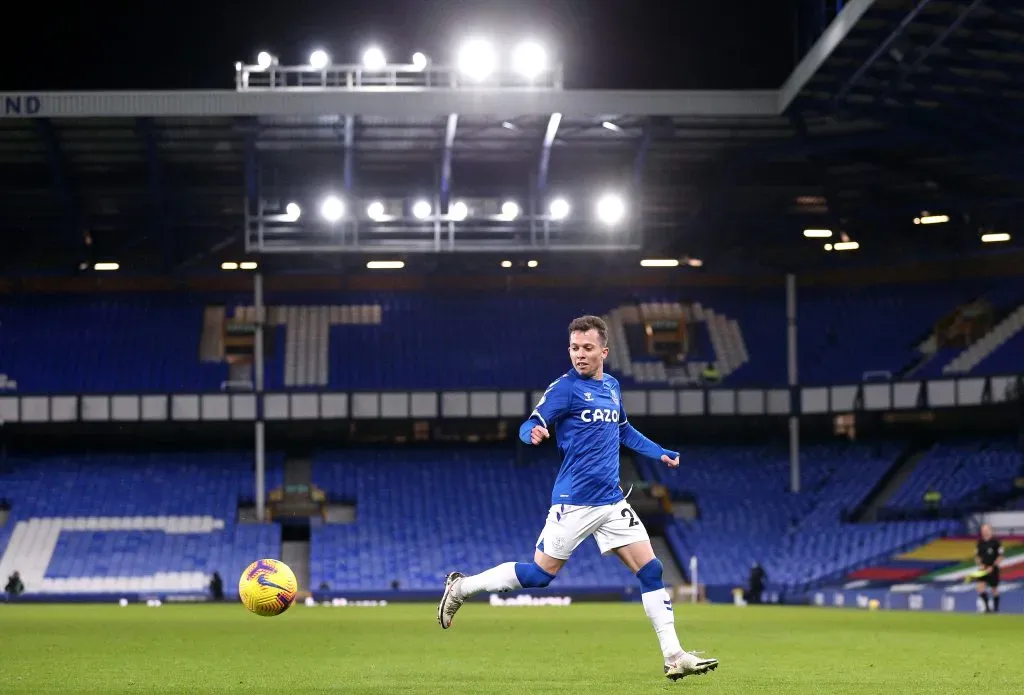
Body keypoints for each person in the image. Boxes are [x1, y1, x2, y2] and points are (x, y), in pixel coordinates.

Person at [437, 315, 718, 681]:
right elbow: (529, 423)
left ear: (604, 350)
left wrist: (658, 451)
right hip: (575, 502)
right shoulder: (564, 389)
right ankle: (461, 587)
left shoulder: (613, 387)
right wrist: (532, 432)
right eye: (574, 348)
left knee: (651, 570)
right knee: (539, 576)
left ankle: (674, 655)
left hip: (613, 502)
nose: (580, 355)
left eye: (587, 348)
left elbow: (624, 431)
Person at [975, 523, 1002, 613]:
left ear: (990, 530)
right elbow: (977, 556)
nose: (984, 532)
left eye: (986, 530)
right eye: (982, 530)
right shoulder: (979, 543)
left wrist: (992, 566)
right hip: (983, 568)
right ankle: (987, 608)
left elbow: (1000, 557)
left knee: (994, 589)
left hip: (993, 569)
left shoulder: (996, 542)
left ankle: (996, 609)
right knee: (980, 587)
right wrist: (980, 564)